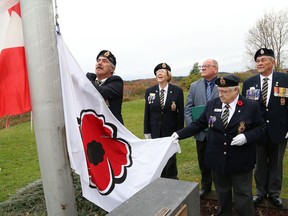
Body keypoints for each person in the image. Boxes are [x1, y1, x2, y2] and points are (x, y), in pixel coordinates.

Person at [172, 74, 266, 216]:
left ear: (236, 90)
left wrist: (246, 137)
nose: (220, 94)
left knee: (242, 194)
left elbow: (261, 128)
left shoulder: (250, 106)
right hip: (217, 157)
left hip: (240, 159)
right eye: (219, 90)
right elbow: (199, 123)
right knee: (222, 193)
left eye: (225, 91)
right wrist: (179, 134)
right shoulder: (213, 104)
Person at [242, 48, 288, 208]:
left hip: (280, 130)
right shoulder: (249, 83)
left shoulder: (285, 79)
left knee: (276, 163)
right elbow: (245, 108)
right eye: (258, 61)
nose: (259, 63)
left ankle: (275, 193)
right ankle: (260, 192)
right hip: (257, 131)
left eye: (263, 60)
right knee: (260, 163)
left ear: (273, 62)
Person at [184, 59, 219, 199]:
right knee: (203, 161)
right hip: (200, 133)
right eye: (202, 66)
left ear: (215, 69)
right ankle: (206, 187)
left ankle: (221, 188)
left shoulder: (223, 84)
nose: (202, 68)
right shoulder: (194, 86)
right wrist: (193, 128)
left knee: (219, 161)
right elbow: (188, 108)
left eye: (206, 66)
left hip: (218, 133)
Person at [144, 63, 184, 179]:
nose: (159, 73)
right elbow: (147, 113)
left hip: (171, 132)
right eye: (157, 72)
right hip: (155, 131)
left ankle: (172, 181)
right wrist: (147, 131)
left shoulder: (177, 91)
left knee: (170, 158)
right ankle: (159, 181)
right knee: (157, 158)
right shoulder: (150, 91)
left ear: (168, 75)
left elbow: (180, 114)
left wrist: (179, 133)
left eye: (162, 71)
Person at [86, 50, 124, 125]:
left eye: (104, 61)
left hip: (110, 129)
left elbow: (102, 92)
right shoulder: (91, 81)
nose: (99, 63)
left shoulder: (116, 81)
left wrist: (88, 81)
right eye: (98, 61)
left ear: (112, 69)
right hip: (91, 127)